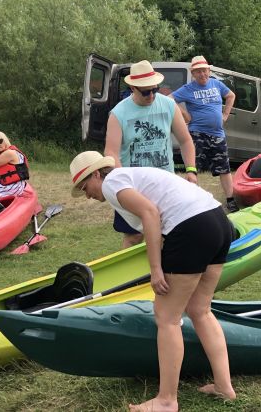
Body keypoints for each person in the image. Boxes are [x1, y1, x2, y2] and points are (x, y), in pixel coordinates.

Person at [70, 151, 236, 411]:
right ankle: (224, 387)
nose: (87, 195)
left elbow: (150, 213)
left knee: (166, 317)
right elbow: (139, 232)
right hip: (217, 221)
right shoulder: (130, 178)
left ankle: (167, 400)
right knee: (199, 310)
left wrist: (156, 268)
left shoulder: (113, 182)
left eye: (84, 187)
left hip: (192, 227)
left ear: (96, 174)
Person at [104, 60, 197, 248]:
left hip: (165, 184)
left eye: (155, 90)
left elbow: (186, 140)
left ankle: (165, 274)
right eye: (145, 91)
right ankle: (127, 276)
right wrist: (123, 182)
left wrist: (191, 170)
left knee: (167, 234)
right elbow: (111, 152)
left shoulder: (169, 106)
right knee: (133, 237)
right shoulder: (118, 113)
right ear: (132, 88)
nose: (151, 96)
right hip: (134, 187)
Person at [172, 56, 239, 212]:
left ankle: (230, 200)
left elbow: (231, 96)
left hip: (217, 134)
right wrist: (184, 115)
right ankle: (194, 203)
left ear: (209, 70)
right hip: (197, 134)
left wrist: (225, 115)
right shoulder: (188, 89)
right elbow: (169, 99)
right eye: (198, 71)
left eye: (204, 70)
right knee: (193, 168)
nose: (202, 74)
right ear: (193, 73)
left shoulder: (216, 84)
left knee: (224, 168)